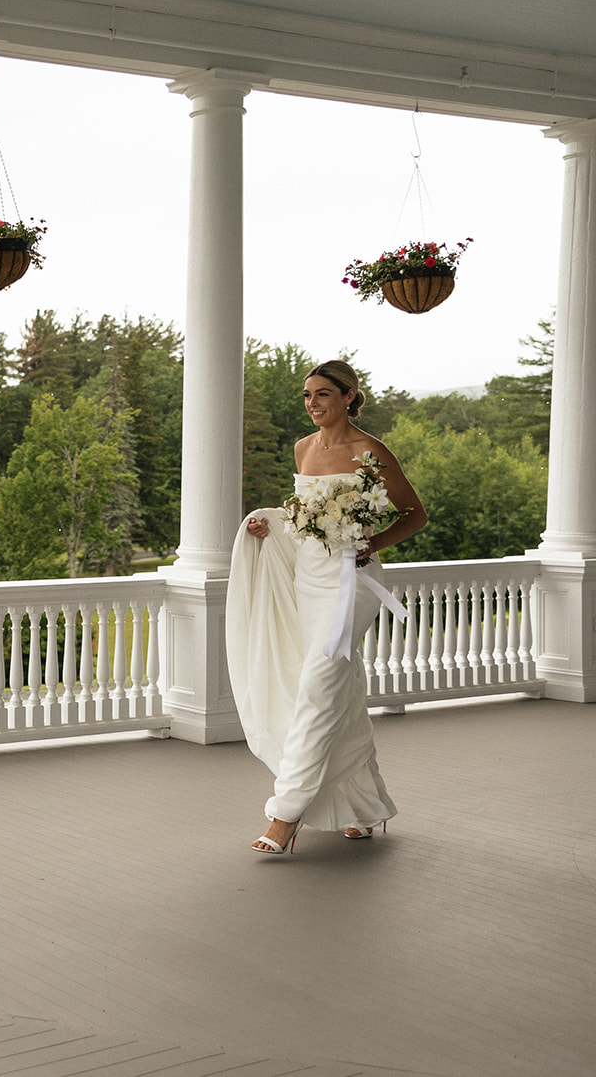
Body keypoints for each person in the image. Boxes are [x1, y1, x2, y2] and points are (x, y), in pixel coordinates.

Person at [226, 360, 427, 855]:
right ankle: (364, 805)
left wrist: (371, 541)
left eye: (323, 395)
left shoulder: (370, 451)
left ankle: (285, 814)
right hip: (309, 576)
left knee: (319, 683)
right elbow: (302, 516)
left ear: (349, 396)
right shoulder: (303, 448)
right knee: (340, 688)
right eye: (307, 396)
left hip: (352, 579)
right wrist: (268, 523)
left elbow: (415, 515)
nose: (313, 404)